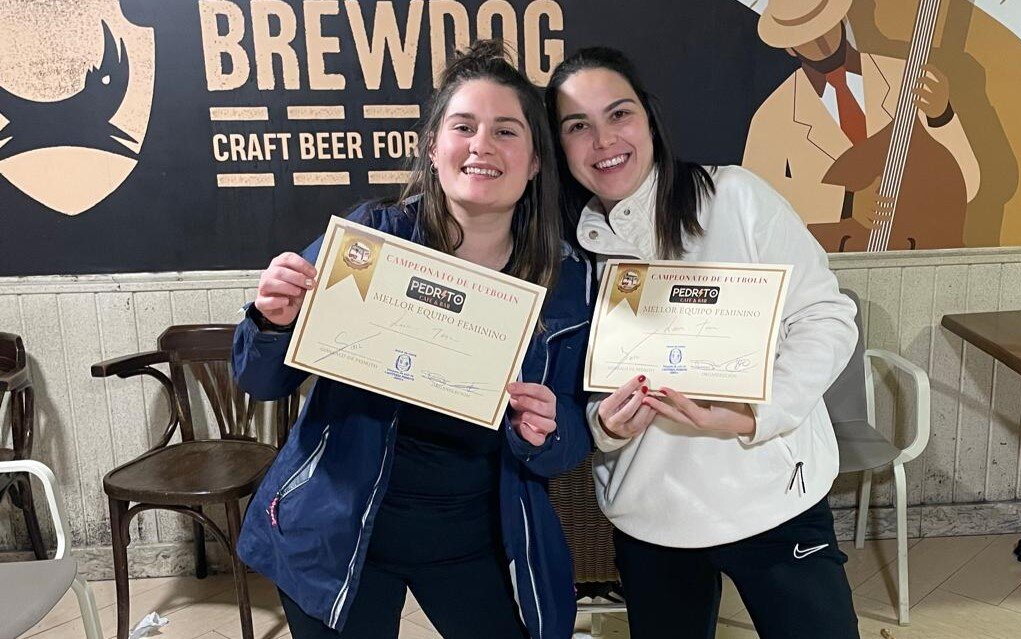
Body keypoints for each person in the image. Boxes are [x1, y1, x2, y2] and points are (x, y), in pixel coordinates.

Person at [234, 41, 592, 639]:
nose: (482, 145)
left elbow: (571, 439)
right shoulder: (372, 238)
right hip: (341, 530)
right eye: (463, 126)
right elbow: (260, 380)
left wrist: (548, 430)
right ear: (433, 148)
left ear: (534, 162)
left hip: (481, 538)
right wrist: (272, 319)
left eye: (507, 131)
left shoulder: (565, 280)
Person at [546, 47, 861, 638]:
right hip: (650, 514)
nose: (603, 140)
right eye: (577, 126)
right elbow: (563, 386)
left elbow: (827, 316)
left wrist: (750, 414)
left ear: (649, 119)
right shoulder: (566, 253)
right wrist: (603, 427)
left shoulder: (734, 197)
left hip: (773, 498)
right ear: (559, 147)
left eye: (619, 114)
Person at [742, 0, 979, 248]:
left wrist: (941, 118)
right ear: (790, 48)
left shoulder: (906, 78)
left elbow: (968, 184)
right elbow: (758, 205)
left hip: (917, 249)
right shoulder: (772, 116)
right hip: (831, 265)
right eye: (806, 37)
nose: (821, 42)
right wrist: (847, 203)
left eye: (825, 27)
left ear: (841, 20)